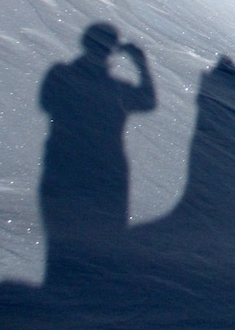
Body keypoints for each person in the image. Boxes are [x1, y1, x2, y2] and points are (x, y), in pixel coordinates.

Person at [38, 23, 155, 283]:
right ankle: (91, 283)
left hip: (63, 158)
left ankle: (66, 282)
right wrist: (140, 63)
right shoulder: (117, 89)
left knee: (62, 228)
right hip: (106, 164)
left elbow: (46, 103)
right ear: (111, 49)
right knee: (106, 226)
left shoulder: (60, 74)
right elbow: (148, 101)